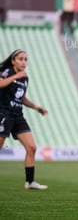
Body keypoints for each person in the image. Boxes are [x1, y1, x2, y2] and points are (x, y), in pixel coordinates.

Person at [0, 49, 49, 190]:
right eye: (20, 59)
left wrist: (37, 107)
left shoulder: (24, 78)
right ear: (13, 60)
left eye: (25, 59)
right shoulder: (7, 72)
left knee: (32, 147)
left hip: (18, 115)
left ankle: (30, 182)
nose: (23, 62)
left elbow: (21, 97)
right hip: (4, 114)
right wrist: (15, 77)